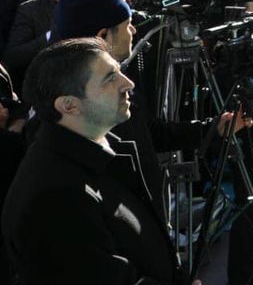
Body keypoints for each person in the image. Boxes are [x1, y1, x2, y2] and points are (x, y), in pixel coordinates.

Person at [3, 39, 185, 283]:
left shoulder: (96, 150)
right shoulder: (55, 196)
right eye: (110, 78)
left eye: (119, 70)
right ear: (69, 105)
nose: (128, 83)